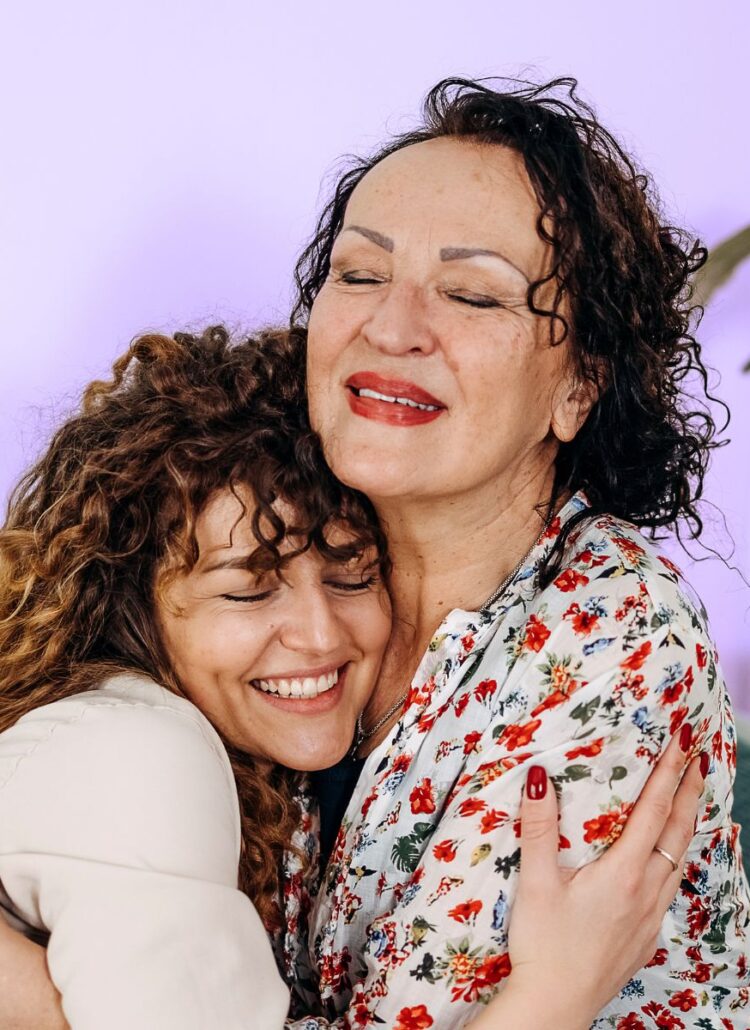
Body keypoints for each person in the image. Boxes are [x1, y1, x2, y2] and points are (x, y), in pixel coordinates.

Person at [0, 326, 709, 1030]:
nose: (319, 635)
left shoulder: (263, 772)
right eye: (248, 591)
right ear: (132, 611)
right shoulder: (136, 754)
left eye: (352, 575)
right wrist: (551, 995)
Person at [272, 76, 749, 1027]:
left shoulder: (617, 636)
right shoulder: (268, 565)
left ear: (577, 389)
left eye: (472, 293)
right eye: (359, 274)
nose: (390, 325)